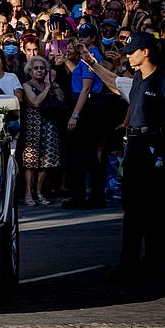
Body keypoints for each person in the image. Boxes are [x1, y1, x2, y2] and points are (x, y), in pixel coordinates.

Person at [80, 32, 165, 283]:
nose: (127, 56)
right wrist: (92, 64)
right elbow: (115, 84)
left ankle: (159, 263)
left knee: (156, 208)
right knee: (132, 208)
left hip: (156, 148)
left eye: (132, 52)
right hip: (134, 146)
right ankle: (129, 265)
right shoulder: (136, 78)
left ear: (145, 52)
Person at [60, 23, 107, 209]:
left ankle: (80, 197)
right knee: (89, 154)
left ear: (93, 38)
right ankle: (95, 195)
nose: (82, 39)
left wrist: (75, 115)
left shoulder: (92, 55)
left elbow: (86, 88)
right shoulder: (84, 57)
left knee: (82, 153)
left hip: (87, 105)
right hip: (88, 103)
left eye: (86, 36)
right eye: (80, 35)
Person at [20, 55, 64, 206]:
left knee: (47, 163)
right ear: (30, 71)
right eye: (36, 68)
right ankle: (28, 194)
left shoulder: (50, 85)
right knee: (30, 163)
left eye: (42, 68)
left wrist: (53, 84)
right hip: (33, 127)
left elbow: (61, 99)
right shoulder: (26, 85)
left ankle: (38, 192)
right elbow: (35, 102)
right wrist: (46, 87)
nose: (39, 71)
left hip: (49, 127)